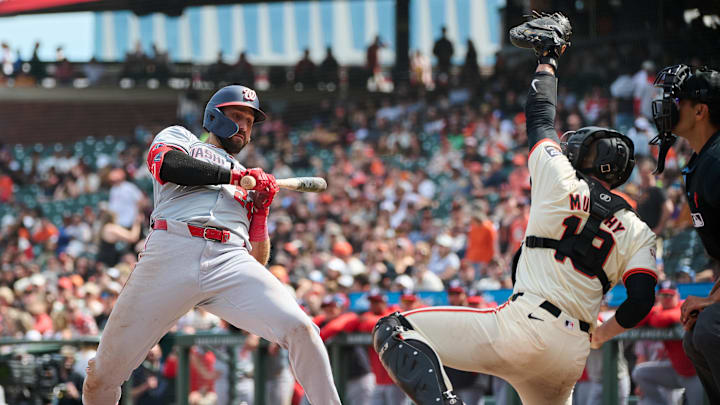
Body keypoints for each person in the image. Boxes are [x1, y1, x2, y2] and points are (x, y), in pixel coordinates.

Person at [372, 12, 658, 405]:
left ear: (585, 158)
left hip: (524, 326)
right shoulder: (638, 228)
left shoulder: (559, 179)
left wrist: (548, 58)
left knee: (395, 328)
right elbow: (642, 299)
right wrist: (602, 334)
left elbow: (540, 116)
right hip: (571, 352)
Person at [81, 84, 342, 405]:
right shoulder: (182, 139)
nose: (244, 126)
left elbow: (257, 261)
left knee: (302, 328)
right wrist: (235, 178)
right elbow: (167, 165)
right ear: (214, 116)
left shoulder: (250, 177)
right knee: (102, 377)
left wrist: (260, 210)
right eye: (236, 116)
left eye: (249, 121)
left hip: (229, 259)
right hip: (172, 248)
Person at [651, 64, 720, 403]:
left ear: (699, 110)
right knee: (696, 333)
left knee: (710, 330)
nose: (666, 108)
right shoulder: (703, 159)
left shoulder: (718, 160)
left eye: (676, 100)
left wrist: (714, 300)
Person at [632, 280, 704, 405]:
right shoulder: (658, 310)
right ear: (657, 297)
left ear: (677, 295)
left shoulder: (685, 306)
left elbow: (665, 319)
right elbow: (635, 320)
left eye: (670, 295)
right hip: (675, 370)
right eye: (664, 295)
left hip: (695, 372)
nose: (667, 298)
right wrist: (655, 311)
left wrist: (656, 313)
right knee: (640, 373)